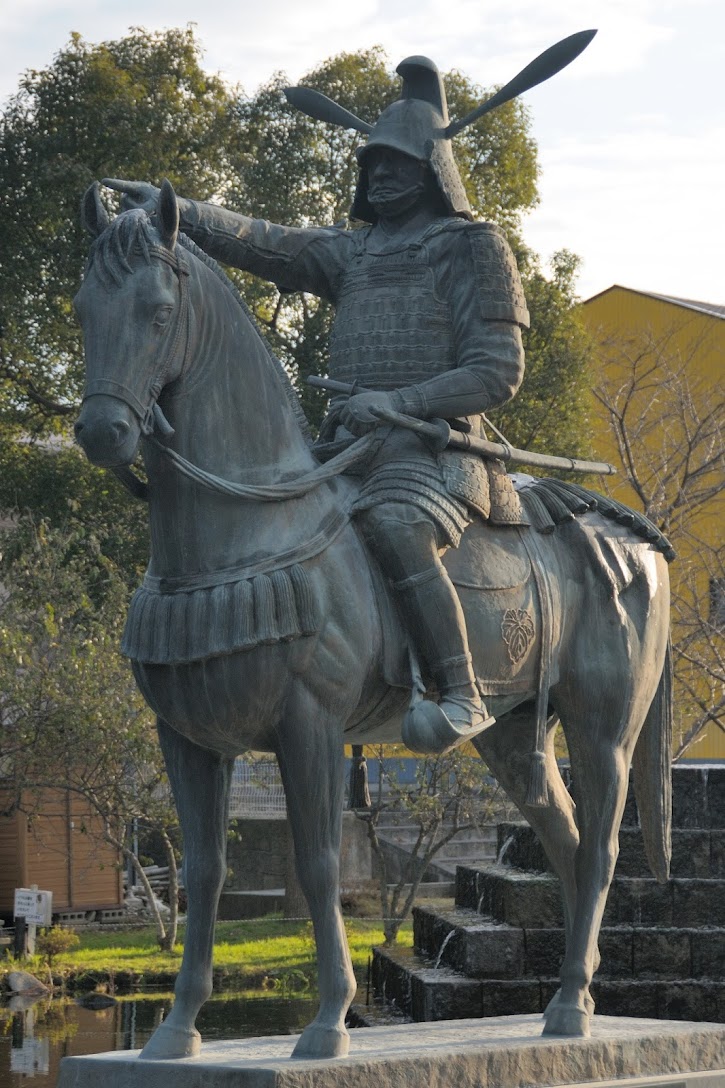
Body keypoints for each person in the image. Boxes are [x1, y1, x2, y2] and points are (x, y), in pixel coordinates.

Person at [105, 55, 529, 755]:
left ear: (434, 167)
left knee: (394, 525)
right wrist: (167, 203)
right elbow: (262, 242)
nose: (378, 174)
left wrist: (401, 399)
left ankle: (459, 691)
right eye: (370, 164)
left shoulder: (474, 247)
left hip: (433, 450)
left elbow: (496, 371)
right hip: (342, 450)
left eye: (395, 162)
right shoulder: (350, 254)